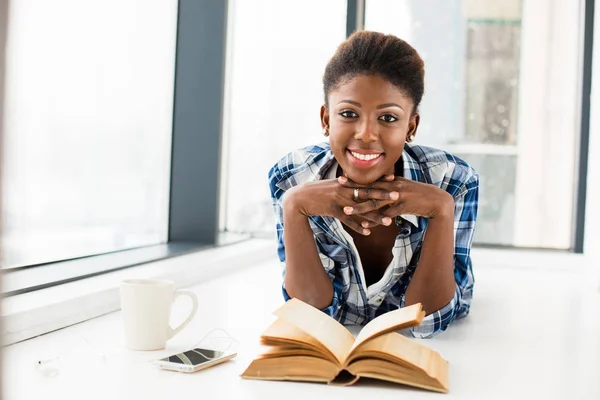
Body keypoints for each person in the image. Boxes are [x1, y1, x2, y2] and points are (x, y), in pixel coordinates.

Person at [268, 30, 479, 338]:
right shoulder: (291, 177)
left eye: (389, 119)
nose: (366, 134)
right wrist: (294, 207)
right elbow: (309, 317)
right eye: (349, 114)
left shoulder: (453, 180)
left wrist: (442, 210)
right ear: (326, 120)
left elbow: (429, 323)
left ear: (411, 125)